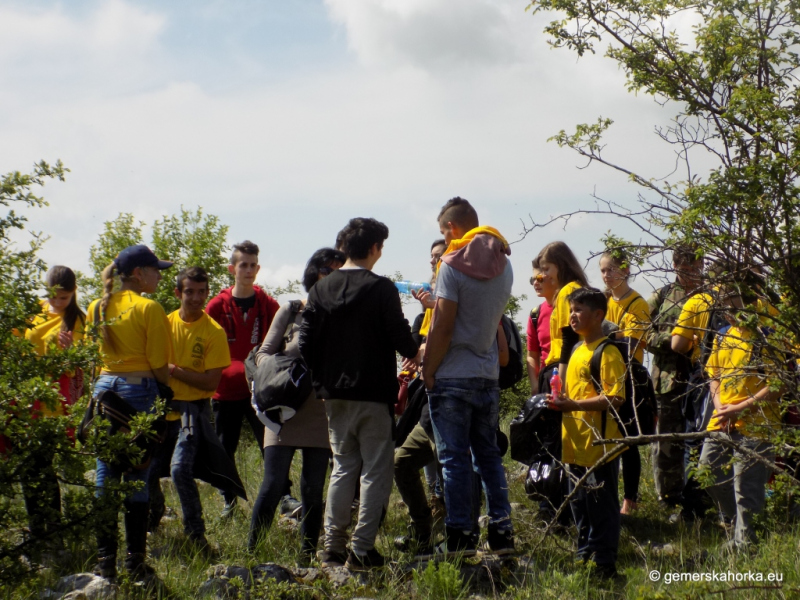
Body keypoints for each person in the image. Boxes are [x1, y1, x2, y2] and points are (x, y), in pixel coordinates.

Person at [299, 218, 418, 570]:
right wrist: (420, 343)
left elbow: (305, 343)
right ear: (374, 249)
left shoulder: (320, 289)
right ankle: (362, 549)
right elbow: (402, 340)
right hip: (373, 392)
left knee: (343, 467)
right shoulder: (381, 289)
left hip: (334, 394)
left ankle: (332, 547)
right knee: (376, 471)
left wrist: (322, 378)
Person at [422, 197, 514, 556]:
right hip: (487, 375)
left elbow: (443, 326)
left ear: (451, 229)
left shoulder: (451, 265)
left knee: (454, 459)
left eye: (443, 232)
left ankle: (460, 537)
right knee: (488, 457)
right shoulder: (504, 265)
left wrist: (429, 370)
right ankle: (502, 533)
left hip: (452, 376)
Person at [248, 247, 345, 563]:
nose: (333, 277)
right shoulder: (290, 310)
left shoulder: (344, 317)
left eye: (339, 271)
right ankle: (253, 553)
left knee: (313, 488)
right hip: (283, 409)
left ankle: (307, 557)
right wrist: (285, 369)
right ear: (314, 273)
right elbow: (262, 354)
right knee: (274, 483)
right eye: (327, 270)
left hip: (319, 410)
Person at [86, 245, 173, 580]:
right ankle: (135, 562)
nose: (159, 275)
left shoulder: (97, 306)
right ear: (139, 273)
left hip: (105, 393)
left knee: (106, 474)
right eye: (155, 269)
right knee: (138, 471)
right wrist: (165, 393)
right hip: (140, 390)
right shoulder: (149, 308)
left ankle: (105, 561)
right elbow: (158, 363)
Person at [147, 267, 231, 549]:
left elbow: (209, 383)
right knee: (147, 470)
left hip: (192, 412)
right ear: (177, 293)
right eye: (189, 292)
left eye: (201, 292)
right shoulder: (163, 323)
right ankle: (153, 516)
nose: (196, 298)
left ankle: (196, 534)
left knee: (180, 469)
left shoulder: (213, 332)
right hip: (160, 409)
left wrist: (175, 371)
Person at [548, 287, 626, 579]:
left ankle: (604, 564)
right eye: (571, 310)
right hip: (575, 444)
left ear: (598, 315)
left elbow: (616, 397)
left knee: (601, 507)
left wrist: (574, 403)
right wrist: (559, 402)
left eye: (579, 310)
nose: (573, 316)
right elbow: (571, 394)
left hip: (599, 447)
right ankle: (584, 557)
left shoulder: (608, 352)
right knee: (580, 505)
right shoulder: (578, 349)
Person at [698, 283, 782, 550]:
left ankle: (748, 549)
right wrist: (721, 405)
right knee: (706, 472)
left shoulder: (765, 335)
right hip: (722, 420)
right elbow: (714, 375)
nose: (724, 306)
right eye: (720, 300)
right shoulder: (724, 334)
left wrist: (740, 408)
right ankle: (739, 530)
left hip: (756, 425)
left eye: (729, 299)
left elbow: (777, 385)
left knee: (746, 490)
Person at [206, 240, 286, 518]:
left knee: (272, 445)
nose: (248, 270)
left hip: (259, 388)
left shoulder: (267, 304)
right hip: (225, 390)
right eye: (243, 265)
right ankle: (229, 500)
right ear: (232, 269)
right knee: (224, 448)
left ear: (258, 268)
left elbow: (283, 337)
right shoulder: (217, 305)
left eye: (253, 265)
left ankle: (285, 496)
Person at [21, 266, 85, 547]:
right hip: (24, 401)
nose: (58, 303)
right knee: (27, 469)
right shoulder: (32, 311)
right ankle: (39, 531)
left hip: (51, 408)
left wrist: (69, 351)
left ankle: (50, 531)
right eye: (54, 297)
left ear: (73, 294)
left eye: (65, 298)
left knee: (41, 467)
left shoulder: (77, 321)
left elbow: (75, 370)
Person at [531, 241, 589, 522]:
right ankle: (563, 507)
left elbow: (567, 340)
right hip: (559, 368)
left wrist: (560, 379)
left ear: (561, 266)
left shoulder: (568, 291)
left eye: (546, 269)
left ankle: (556, 510)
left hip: (560, 370)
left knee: (554, 443)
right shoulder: (569, 291)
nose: (541, 276)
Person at [645, 245, 704, 509]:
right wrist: (674, 340)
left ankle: (700, 498)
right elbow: (641, 333)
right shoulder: (662, 296)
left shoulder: (710, 296)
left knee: (699, 439)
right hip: (667, 380)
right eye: (687, 266)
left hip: (702, 380)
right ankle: (668, 499)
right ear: (675, 266)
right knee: (666, 442)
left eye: (697, 266)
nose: (693, 271)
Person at [599, 250, 651, 515]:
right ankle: (605, 494)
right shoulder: (603, 300)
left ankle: (630, 500)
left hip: (629, 378)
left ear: (626, 270)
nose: (607, 275)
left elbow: (630, 346)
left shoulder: (638, 304)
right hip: (605, 377)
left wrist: (608, 334)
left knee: (629, 442)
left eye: (611, 270)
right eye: (603, 271)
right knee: (606, 438)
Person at [526, 265, 555, 394]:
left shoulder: (572, 308)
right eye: (533, 280)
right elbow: (532, 355)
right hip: (546, 382)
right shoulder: (535, 314)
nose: (535, 283)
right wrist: (535, 385)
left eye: (539, 278)